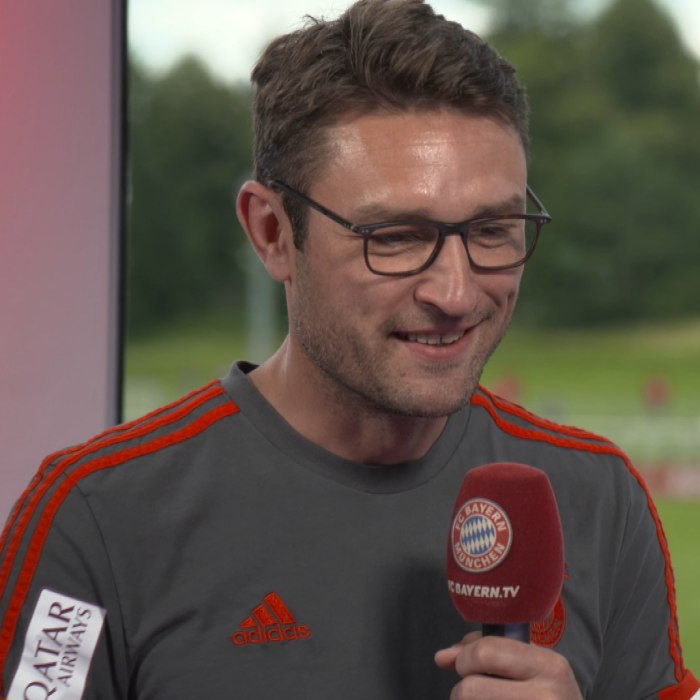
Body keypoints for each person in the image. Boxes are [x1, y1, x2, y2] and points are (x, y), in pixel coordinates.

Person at [0, 0, 697, 697]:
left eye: (492, 230)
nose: (456, 292)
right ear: (273, 233)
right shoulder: (97, 517)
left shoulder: (598, 497)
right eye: (394, 237)